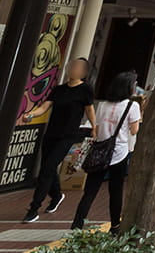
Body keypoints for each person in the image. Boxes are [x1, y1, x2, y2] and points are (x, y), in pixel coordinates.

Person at [22, 57, 96, 223]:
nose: (73, 69)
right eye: (72, 66)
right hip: (51, 134)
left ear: (83, 72)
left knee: (47, 168)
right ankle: (56, 195)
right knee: (48, 167)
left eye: (77, 67)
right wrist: (31, 114)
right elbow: (44, 107)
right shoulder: (59, 89)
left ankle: (34, 208)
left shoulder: (85, 89)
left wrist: (95, 127)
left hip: (67, 135)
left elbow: (89, 109)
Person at [71, 70, 141, 233]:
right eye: (134, 85)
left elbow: (98, 127)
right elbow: (134, 131)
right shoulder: (132, 106)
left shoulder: (102, 104)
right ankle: (115, 225)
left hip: (99, 152)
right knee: (115, 191)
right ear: (128, 88)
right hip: (119, 153)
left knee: (90, 190)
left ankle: (77, 223)